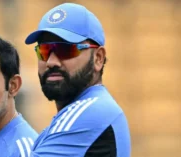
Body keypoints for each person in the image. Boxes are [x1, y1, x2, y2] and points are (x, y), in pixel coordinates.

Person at [25, 3, 131, 157]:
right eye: (44, 50)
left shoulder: (91, 111)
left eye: (65, 50)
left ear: (98, 58)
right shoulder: (80, 113)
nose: (51, 62)